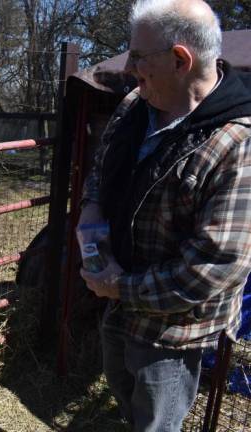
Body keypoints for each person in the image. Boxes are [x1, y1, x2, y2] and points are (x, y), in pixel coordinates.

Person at [78, 0, 251, 430]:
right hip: (117, 304)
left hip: (173, 332)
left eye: (139, 56)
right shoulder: (138, 104)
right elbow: (101, 169)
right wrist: (91, 208)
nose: (131, 67)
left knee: (157, 421)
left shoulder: (237, 144)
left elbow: (214, 266)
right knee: (122, 393)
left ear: (180, 60)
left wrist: (121, 287)